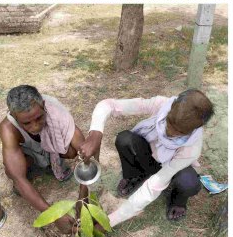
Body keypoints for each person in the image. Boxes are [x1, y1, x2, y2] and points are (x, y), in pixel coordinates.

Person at [78, 90, 214, 226]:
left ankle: (178, 200)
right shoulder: (162, 104)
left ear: (195, 128)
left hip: (170, 169)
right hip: (149, 156)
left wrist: (110, 221)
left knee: (188, 183)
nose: (170, 132)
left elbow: (152, 187)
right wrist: (95, 133)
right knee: (124, 139)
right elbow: (108, 105)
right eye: (170, 122)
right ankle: (136, 175)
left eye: (180, 132)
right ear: (172, 106)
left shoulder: (191, 149)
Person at [0, 85, 88, 236]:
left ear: (44, 107)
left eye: (39, 118)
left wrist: (83, 197)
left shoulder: (56, 112)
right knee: (11, 171)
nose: (35, 126)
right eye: (26, 123)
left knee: (74, 151)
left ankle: (51, 162)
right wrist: (53, 215)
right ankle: (38, 165)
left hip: (53, 147)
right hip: (31, 153)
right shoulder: (8, 128)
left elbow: (85, 156)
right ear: (14, 116)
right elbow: (18, 178)